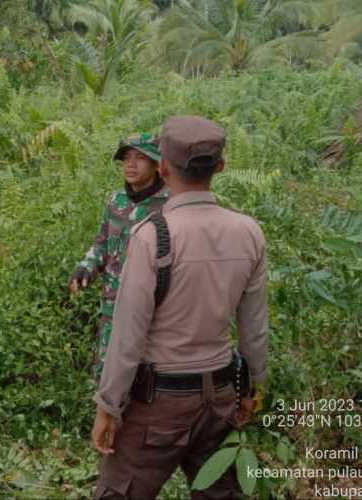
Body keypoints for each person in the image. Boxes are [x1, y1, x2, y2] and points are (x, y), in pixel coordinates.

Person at [91, 116, 268, 499]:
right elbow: (254, 329)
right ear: (219, 168)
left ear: (164, 168)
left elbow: (127, 336)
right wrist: (251, 390)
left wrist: (109, 406)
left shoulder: (153, 235)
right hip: (220, 396)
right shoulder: (249, 231)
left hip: (158, 404)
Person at [70, 133, 169, 380]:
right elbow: (102, 243)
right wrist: (87, 265)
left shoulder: (170, 205)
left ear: (157, 164)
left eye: (140, 158)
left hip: (151, 309)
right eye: (126, 158)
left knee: (146, 374)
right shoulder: (116, 200)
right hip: (112, 306)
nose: (131, 164)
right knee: (105, 374)